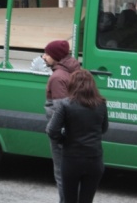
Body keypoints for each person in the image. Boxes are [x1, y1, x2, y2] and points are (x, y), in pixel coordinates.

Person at [46, 70, 109, 203]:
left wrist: (64, 139)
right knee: (87, 200)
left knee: (69, 199)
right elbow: (104, 128)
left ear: (72, 85)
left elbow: (52, 130)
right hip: (94, 160)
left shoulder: (65, 104)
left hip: (71, 159)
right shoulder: (101, 104)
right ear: (92, 85)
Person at [43, 39, 81, 203]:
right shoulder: (75, 70)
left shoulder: (58, 77)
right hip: (76, 132)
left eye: (47, 54)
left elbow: (60, 111)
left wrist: (56, 134)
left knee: (61, 173)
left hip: (62, 135)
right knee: (73, 174)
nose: (44, 57)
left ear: (56, 56)